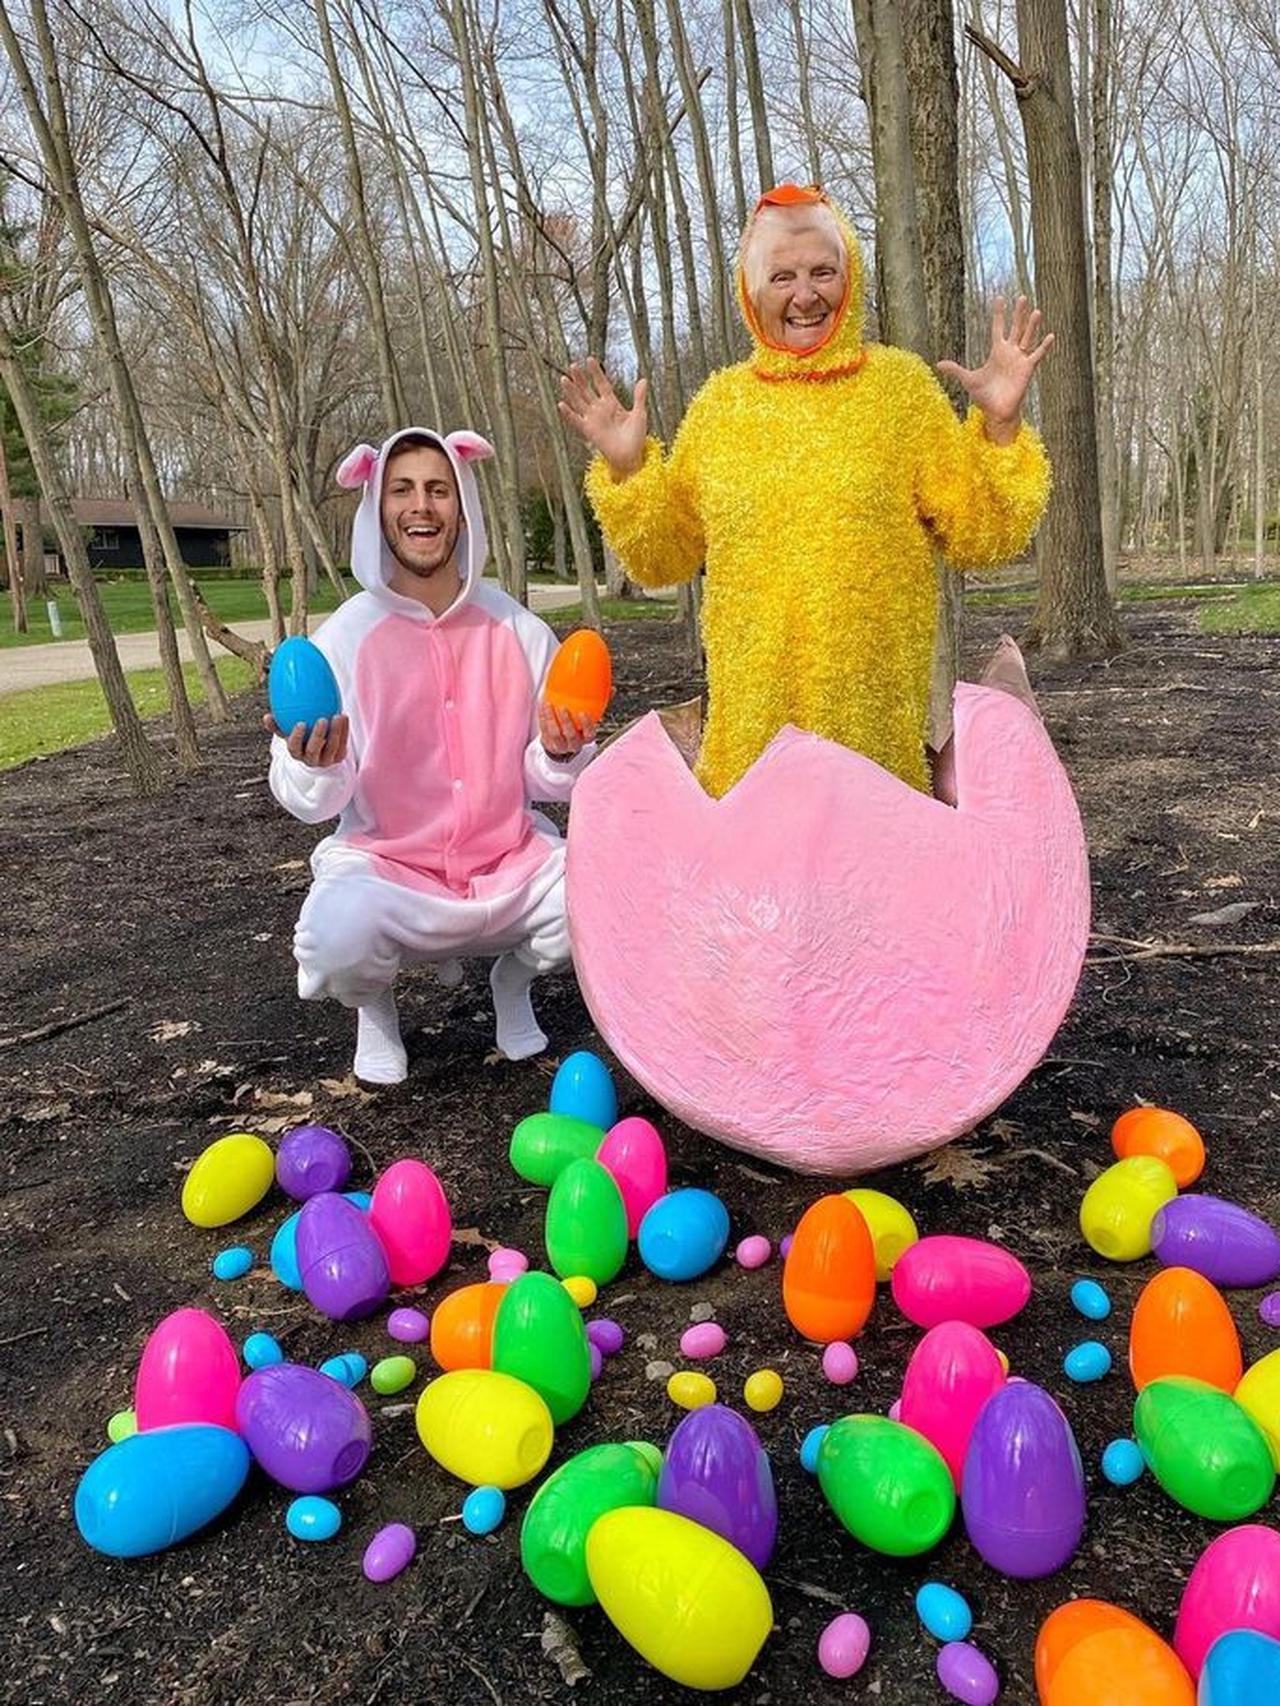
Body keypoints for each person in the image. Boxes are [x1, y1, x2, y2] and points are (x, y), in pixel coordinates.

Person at [560, 183, 1054, 802]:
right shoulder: (720, 409)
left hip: (876, 759)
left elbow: (984, 536)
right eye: (782, 277)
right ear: (750, 292)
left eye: (823, 271)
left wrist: (1001, 427)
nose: (804, 295)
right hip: (748, 764)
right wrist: (629, 470)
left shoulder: (900, 392)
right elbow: (662, 558)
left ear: (851, 278)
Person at [265, 427, 596, 1085]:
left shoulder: (518, 630)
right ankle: (375, 1009)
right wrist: (317, 765)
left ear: (463, 509)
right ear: (377, 508)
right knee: (335, 936)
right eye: (403, 490)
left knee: (599, 892)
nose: (422, 506)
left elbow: (547, 778)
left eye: (439, 490)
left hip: (507, 864)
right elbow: (309, 799)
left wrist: (562, 754)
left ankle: (513, 983)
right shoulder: (342, 640)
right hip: (391, 870)